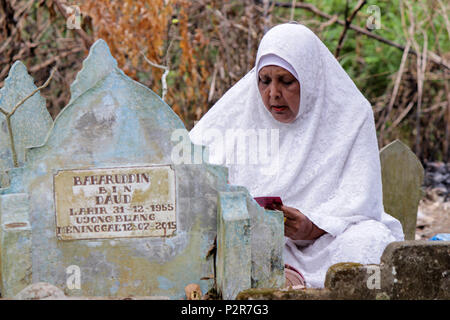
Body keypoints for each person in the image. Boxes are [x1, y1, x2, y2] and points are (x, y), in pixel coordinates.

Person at [189, 23, 404, 288]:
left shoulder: (351, 115)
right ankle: (281, 278)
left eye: (286, 81)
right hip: (254, 242)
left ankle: (308, 283)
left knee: (370, 238)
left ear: (310, 78)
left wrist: (311, 227)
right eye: (264, 81)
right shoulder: (239, 112)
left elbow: (361, 202)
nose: (273, 94)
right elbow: (189, 170)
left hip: (327, 242)